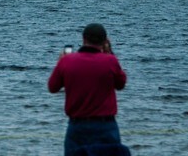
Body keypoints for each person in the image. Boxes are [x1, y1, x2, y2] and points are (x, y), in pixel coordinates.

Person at [48, 23, 128, 156]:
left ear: (83, 39)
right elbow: (121, 84)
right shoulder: (110, 61)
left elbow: (53, 87)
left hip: (78, 125)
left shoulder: (67, 61)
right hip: (106, 125)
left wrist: (60, 63)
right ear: (104, 41)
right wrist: (109, 53)